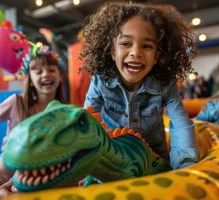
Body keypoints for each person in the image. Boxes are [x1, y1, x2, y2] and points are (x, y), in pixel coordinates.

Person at [81, 2, 198, 169]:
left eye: (147, 46)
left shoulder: (164, 84)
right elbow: (89, 118)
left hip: (153, 156)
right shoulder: (101, 80)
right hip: (112, 154)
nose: (136, 52)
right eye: (126, 44)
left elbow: (180, 122)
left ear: (157, 56)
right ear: (113, 51)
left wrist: (186, 164)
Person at [0, 45, 66, 198]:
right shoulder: (16, 102)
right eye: (38, 72)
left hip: (42, 166)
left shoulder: (64, 111)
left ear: (60, 77)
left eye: (51, 70)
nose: (46, 74)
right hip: (11, 161)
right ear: (30, 79)